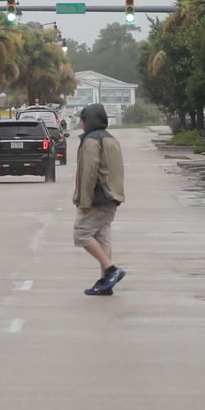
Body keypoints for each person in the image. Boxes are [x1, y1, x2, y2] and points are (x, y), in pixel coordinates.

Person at [72, 103, 126, 296]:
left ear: (88, 121)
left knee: (81, 233)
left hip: (97, 197)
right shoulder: (112, 140)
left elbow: (89, 172)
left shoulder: (91, 141)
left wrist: (84, 201)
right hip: (112, 197)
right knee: (103, 237)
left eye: (82, 120)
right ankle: (106, 282)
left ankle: (111, 270)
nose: (81, 124)